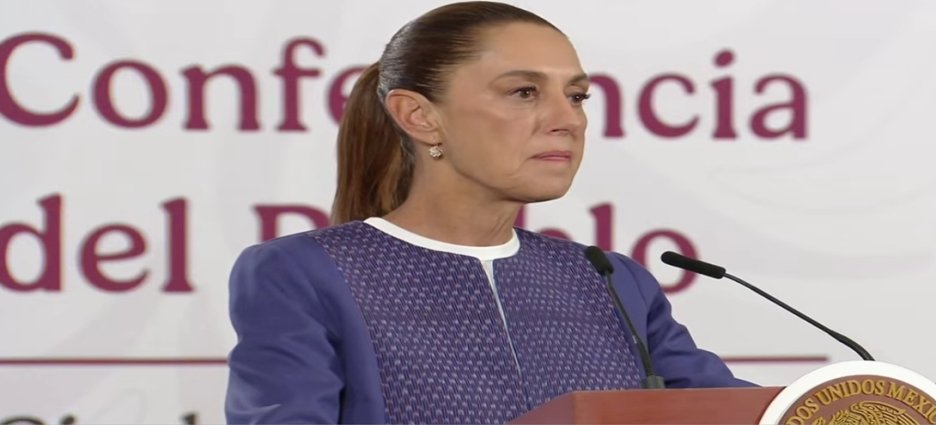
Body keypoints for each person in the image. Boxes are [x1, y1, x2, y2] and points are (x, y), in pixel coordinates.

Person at [225, 2, 753, 423]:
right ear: (419, 116)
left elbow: (745, 414)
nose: (567, 119)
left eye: (576, 96)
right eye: (524, 92)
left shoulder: (611, 280)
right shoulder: (304, 273)